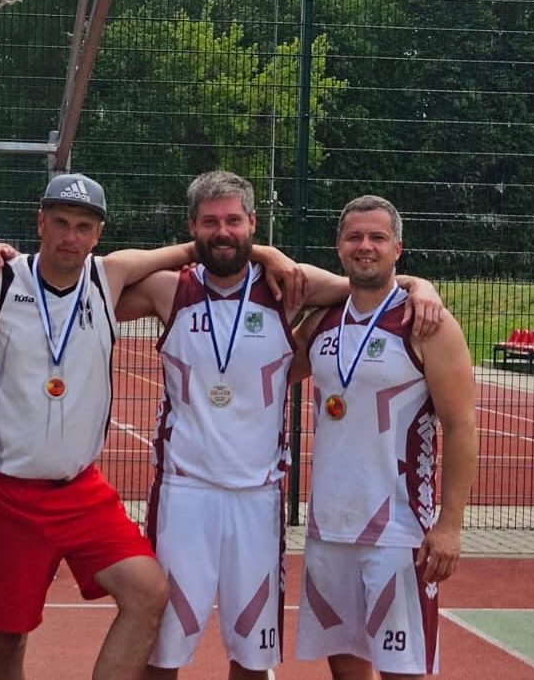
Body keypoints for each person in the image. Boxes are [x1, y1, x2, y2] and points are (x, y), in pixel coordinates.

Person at [0, 173, 306, 680]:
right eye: (60, 223)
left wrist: (267, 255)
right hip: (5, 490)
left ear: (98, 233)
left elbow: (202, 248)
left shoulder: (111, 276)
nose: (70, 236)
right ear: (40, 222)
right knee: (9, 634)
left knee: (148, 592)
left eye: (83, 226)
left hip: (80, 488)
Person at [111, 173, 443, 680]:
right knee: (163, 651)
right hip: (185, 495)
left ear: (253, 223)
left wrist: (422, 285)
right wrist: (205, 252)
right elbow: (101, 283)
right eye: (209, 223)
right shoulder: (169, 290)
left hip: (258, 498)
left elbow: (371, 284)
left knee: (253, 656)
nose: (223, 232)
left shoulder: (288, 287)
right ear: (192, 227)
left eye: (233, 221)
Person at [290, 195, 478, 679]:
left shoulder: (428, 324)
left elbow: (461, 426)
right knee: (345, 668)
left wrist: (450, 525)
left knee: (402, 670)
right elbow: (274, 364)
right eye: (354, 237)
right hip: (329, 526)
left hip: (397, 530)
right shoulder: (323, 322)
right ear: (338, 246)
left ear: (398, 248)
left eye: (377, 237)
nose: (365, 246)